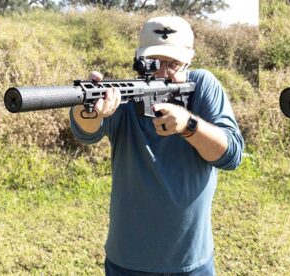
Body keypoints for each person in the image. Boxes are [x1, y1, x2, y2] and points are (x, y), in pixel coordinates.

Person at [69, 16, 244, 275]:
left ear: (190, 59)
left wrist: (188, 125)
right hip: (129, 260)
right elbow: (85, 133)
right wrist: (89, 109)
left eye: (173, 64)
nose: (162, 73)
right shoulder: (125, 95)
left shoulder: (203, 86)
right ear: (140, 60)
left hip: (192, 260)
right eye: (154, 64)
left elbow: (231, 155)